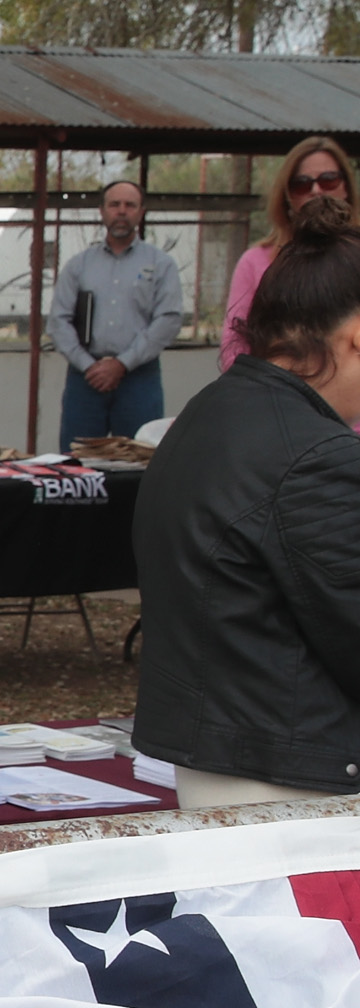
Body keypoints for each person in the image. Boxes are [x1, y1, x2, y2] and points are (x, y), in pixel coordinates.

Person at [135, 198, 360, 810]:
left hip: (223, 759)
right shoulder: (315, 454)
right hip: (291, 778)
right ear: (354, 337)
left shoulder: (206, 416)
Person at [49, 180, 184, 442]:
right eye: (114, 204)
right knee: (78, 466)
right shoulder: (79, 265)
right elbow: (58, 321)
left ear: (141, 212)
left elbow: (168, 319)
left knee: (139, 465)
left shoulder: (161, 265)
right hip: (86, 378)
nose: (121, 211)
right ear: (102, 211)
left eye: (130, 205)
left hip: (139, 378)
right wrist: (91, 367)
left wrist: (122, 364)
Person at [222, 137, 356, 371]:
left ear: (346, 187)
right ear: (287, 196)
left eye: (329, 180)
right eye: (301, 184)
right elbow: (234, 345)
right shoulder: (256, 262)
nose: (316, 190)